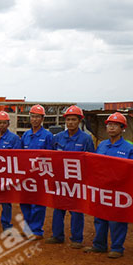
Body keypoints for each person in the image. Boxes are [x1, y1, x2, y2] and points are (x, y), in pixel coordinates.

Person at [84, 112, 133, 258]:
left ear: (122, 128)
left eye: (115, 125)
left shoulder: (128, 148)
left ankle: (117, 248)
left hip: (119, 190)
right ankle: (99, 245)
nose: (112, 128)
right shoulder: (102, 146)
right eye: (109, 125)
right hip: (102, 188)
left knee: (117, 219)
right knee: (100, 217)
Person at [46, 105, 95, 248]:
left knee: (76, 210)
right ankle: (57, 236)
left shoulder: (86, 139)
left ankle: (77, 239)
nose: (71, 122)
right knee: (58, 208)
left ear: (79, 121)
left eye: (74, 119)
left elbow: (91, 160)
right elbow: (51, 157)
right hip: (60, 181)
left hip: (77, 182)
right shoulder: (58, 137)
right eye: (68, 120)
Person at [20, 104, 53, 239]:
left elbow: (51, 157)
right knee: (25, 202)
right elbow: (20, 156)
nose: (34, 119)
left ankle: (37, 231)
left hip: (40, 176)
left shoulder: (48, 136)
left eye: (37, 117)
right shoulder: (26, 135)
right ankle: (27, 229)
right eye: (32, 116)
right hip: (27, 175)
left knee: (38, 204)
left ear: (42, 118)